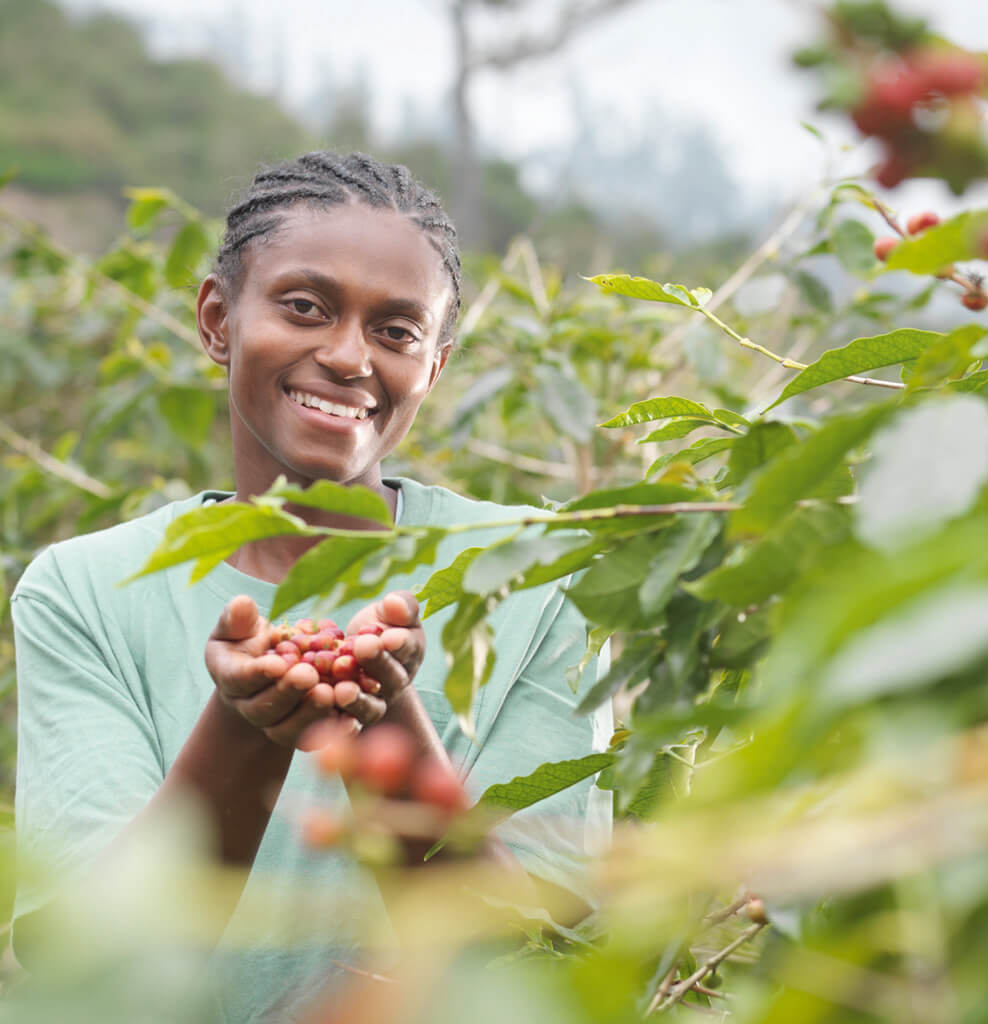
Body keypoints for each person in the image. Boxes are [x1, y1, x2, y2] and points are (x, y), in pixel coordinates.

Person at [11, 152, 612, 1022]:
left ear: (434, 369)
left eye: (397, 331)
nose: (346, 355)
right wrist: (243, 723)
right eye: (305, 307)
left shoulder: (541, 578)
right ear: (218, 320)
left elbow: (539, 960)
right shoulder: (85, 590)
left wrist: (386, 727)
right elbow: (88, 967)